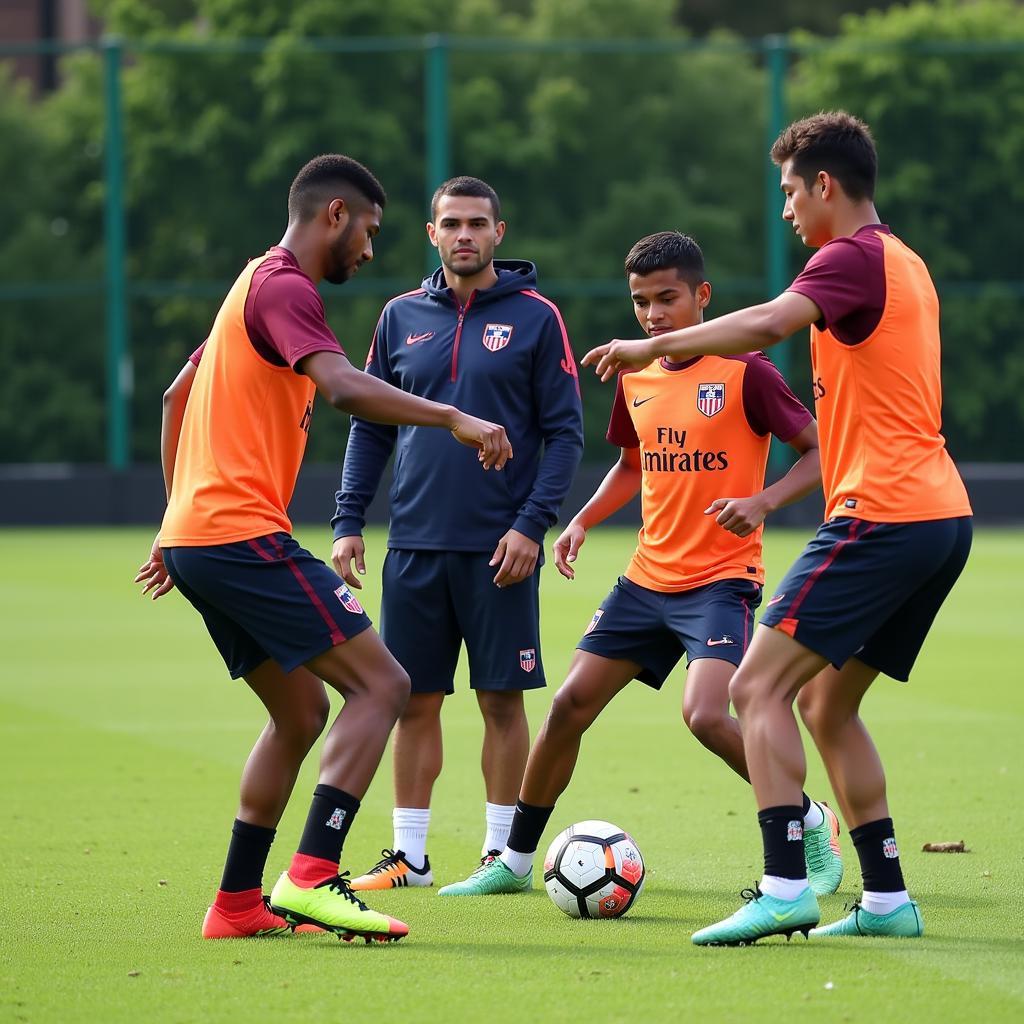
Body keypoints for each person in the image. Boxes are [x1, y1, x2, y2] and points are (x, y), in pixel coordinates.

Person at [584, 113, 973, 945]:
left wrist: (654, 347)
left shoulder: (850, 258)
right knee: (828, 708)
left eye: (792, 191)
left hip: (884, 513)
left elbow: (764, 325)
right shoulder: (905, 260)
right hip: (941, 516)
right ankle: (886, 900)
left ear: (825, 185)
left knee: (753, 689)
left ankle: (785, 885)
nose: (788, 209)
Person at [134, 154, 513, 943]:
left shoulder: (251, 285)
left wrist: (175, 524)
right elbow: (340, 385)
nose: (372, 250)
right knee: (385, 685)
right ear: (335, 215)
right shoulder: (284, 288)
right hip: (240, 534)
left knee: (302, 711)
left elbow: (177, 397)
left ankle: (238, 905)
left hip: (202, 537)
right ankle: (312, 877)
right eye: (370, 231)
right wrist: (452, 417)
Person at [438, 231, 842, 897]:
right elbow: (632, 465)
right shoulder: (637, 378)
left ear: (702, 296)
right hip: (646, 580)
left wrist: (763, 499)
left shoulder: (748, 370)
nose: (653, 315)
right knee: (568, 705)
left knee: (707, 716)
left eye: (667, 299)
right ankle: (512, 862)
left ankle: (807, 817)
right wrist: (582, 520)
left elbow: (818, 452)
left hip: (720, 582)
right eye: (641, 302)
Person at [332, 176, 584, 891]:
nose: (464, 234)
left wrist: (531, 526)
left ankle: (503, 856)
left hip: (500, 548)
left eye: (478, 222)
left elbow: (565, 434)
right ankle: (409, 857)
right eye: (452, 223)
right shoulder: (400, 316)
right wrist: (349, 519)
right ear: (431, 233)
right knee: (413, 700)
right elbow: (370, 425)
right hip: (413, 544)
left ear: (499, 233)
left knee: (501, 700)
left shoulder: (537, 318)